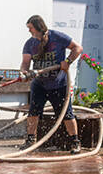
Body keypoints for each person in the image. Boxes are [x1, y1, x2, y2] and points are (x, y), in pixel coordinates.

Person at [20, 15, 84, 154]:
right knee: (33, 113)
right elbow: (25, 63)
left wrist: (67, 62)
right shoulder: (30, 43)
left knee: (66, 115)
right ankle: (30, 141)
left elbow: (78, 48)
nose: (29, 31)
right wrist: (24, 73)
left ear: (38, 27)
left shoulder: (57, 37)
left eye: (30, 28)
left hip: (59, 84)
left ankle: (75, 142)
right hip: (39, 84)